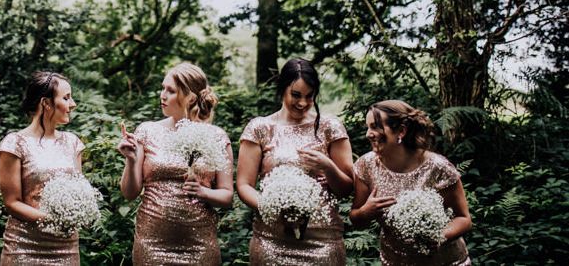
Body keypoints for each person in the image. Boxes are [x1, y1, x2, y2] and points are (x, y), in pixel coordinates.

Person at [237, 58, 353, 265]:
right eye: (296, 95)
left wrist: (327, 166)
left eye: (309, 96)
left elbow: (346, 189)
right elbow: (244, 185)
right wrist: (272, 206)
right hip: (272, 240)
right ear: (283, 89)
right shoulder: (260, 128)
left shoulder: (330, 127)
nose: (302, 103)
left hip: (322, 241)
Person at [117, 62, 233, 265]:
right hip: (151, 245)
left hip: (200, 246)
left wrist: (204, 193)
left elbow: (227, 196)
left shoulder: (216, 136)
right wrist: (131, 159)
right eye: (162, 88)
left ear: (189, 97)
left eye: (170, 91)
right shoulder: (147, 130)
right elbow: (129, 193)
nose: (162, 95)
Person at [350, 100, 472, 265]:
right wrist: (365, 212)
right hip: (394, 261)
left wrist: (438, 237)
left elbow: (464, 218)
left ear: (401, 131)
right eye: (368, 127)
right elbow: (356, 218)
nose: (368, 134)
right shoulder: (367, 165)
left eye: (375, 127)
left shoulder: (438, 167)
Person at [0, 71, 84, 265]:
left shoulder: (73, 143)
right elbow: (12, 202)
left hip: (66, 247)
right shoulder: (15, 143)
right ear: (46, 103)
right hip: (24, 247)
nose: (73, 104)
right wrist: (52, 220)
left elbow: (79, 192)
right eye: (66, 98)